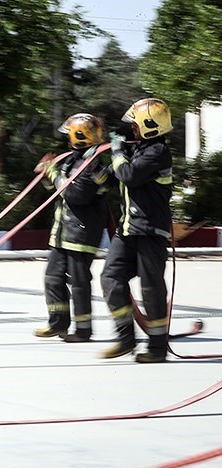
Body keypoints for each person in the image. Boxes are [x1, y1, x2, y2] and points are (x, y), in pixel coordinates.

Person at [100, 98, 174, 363]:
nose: (131, 129)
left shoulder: (156, 152)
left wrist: (118, 153)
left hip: (150, 230)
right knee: (110, 277)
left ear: (149, 126)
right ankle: (125, 338)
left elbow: (129, 175)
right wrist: (94, 161)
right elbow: (111, 177)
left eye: (135, 124)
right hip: (129, 229)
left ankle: (157, 348)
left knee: (151, 289)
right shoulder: (139, 150)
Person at [33, 113, 113, 342]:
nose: (66, 140)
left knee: (79, 282)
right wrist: (46, 173)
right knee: (52, 278)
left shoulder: (93, 165)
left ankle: (83, 330)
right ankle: (57, 323)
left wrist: (54, 173)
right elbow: (55, 187)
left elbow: (76, 194)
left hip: (81, 233)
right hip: (62, 233)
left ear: (78, 136)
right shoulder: (73, 159)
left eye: (69, 135)